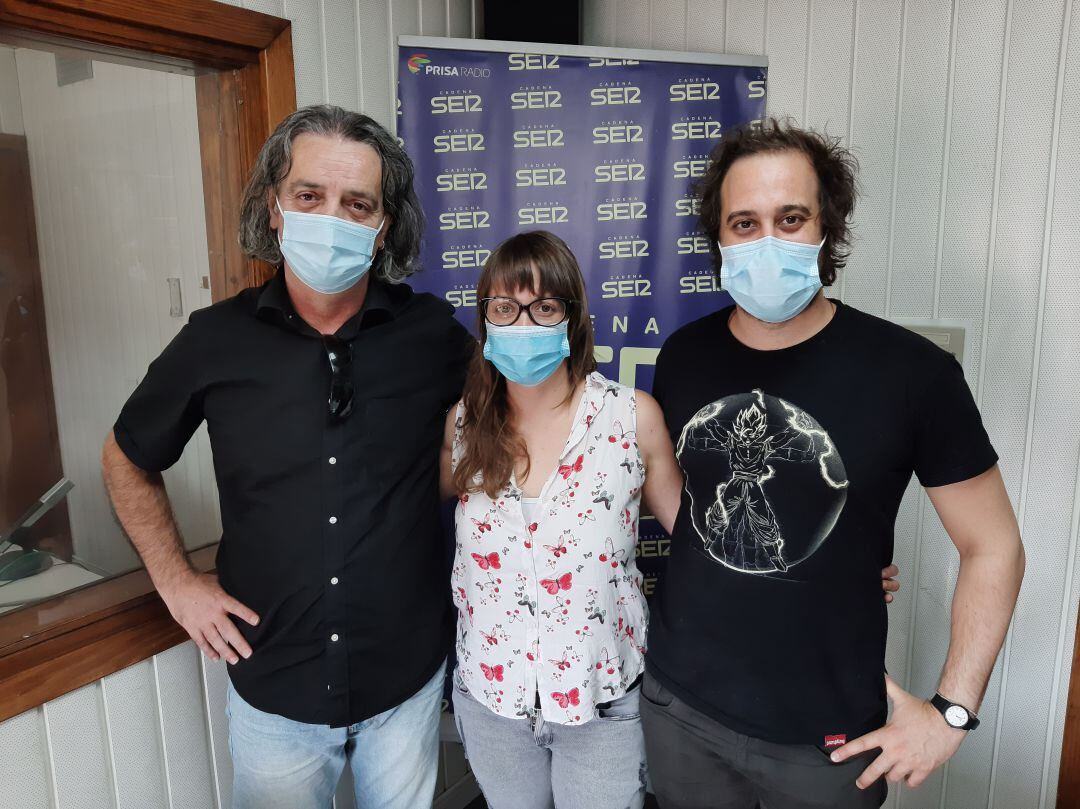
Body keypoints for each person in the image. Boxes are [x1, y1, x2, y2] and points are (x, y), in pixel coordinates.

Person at [438, 231, 901, 808]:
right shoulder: (463, 425)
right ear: (485, 319)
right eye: (504, 308)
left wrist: (831, 567)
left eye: (545, 307)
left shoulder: (630, 418)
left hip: (602, 703)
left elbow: (706, 536)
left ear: (572, 318)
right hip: (492, 701)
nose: (523, 324)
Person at [640, 119, 1025, 808]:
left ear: (826, 229)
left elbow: (993, 544)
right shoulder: (684, 354)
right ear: (719, 239)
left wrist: (952, 713)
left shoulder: (913, 374)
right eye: (744, 222)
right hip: (680, 710)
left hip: (829, 744)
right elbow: (686, 505)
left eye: (790, 218)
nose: (767, 241)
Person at [101, 105, 474, 809]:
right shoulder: (215, 341)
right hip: (274, 684)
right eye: (310, 196)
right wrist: (177, 583)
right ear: (274, 207)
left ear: (383, 225)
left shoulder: (432, 335)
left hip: (406, 680)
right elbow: (126, 457)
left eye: (357, 203)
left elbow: (498, 434)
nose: (332, 217)